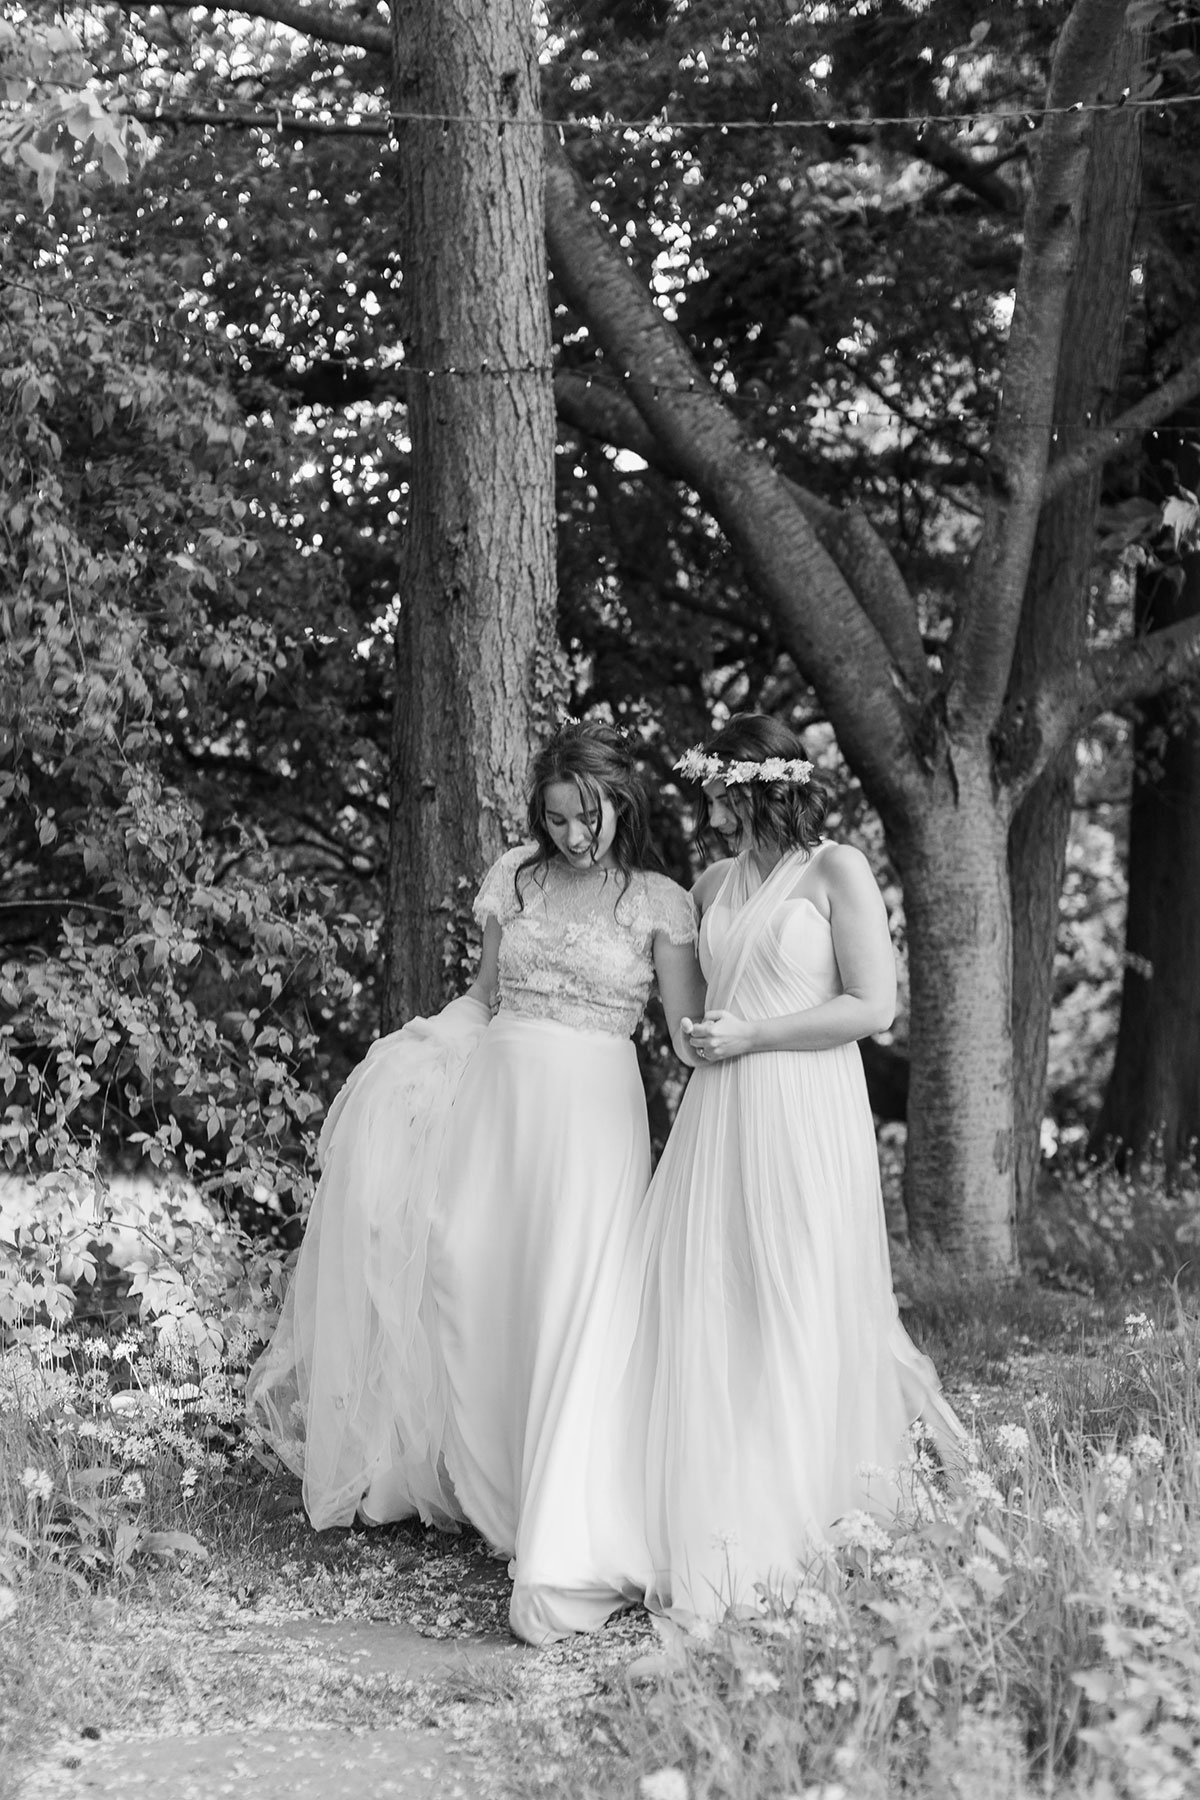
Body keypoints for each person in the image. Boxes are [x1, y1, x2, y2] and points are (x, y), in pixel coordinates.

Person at [246, 720, 702, 1645]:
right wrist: (423, 1048)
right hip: (500, 1095)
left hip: (592, 1110)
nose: (575, 837)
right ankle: (491, 1485)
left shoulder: (660, 899)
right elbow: (487, 992)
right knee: (472, 1272)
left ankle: (563, 1510)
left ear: (624, 802)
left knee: (575, 1290)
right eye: (559, 819)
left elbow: (687, 1034)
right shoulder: (517, 878)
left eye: (591, 817)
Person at [611, 712, 964, 1625]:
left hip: (806, 1108)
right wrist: (688, 1027)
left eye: (723, 791)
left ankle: (812, 1511)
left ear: (762, 785)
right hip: (721, 1113)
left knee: (799, 1290)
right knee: (715, 1300)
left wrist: (756, 1034)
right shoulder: (710, 884)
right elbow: (691, 1026)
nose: (714, 809)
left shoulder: (836, 869)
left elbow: (873, 1006)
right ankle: (722, 1514)